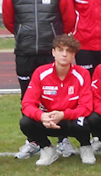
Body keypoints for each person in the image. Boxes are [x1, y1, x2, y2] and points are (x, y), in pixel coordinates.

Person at [2, 0, 75, 97]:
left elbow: (69, 18)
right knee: (28, 95)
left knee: (54, 95)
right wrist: (23, 33)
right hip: (25, 52)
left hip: (51, 52)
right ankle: (29, 120)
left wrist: (56, 37)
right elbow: (9, 21)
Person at [19, 34, 94, 166]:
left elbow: (86, 107)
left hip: (71, 121)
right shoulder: (41, 73)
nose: (64, 54)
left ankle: (85, 147)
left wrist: (64, 115)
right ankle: (47, 149)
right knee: (25, 122)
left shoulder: (82, 74)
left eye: (69, 51)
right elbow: (27, 104)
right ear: (53, 52)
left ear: (73, 55)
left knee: (87, 120)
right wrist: (42, 116)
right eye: (60, 50)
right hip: (49, 120)